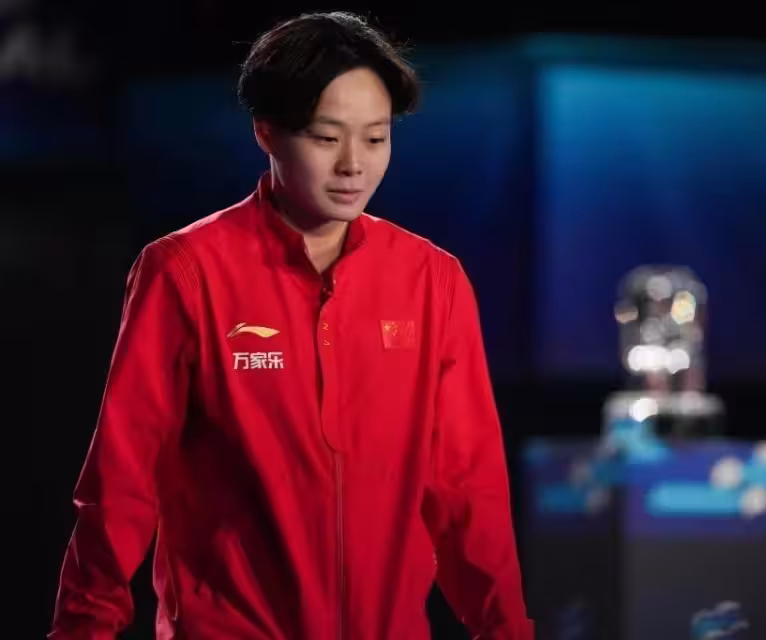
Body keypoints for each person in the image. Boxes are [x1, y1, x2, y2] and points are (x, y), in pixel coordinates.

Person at [49, 12, 533, 640]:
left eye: (376, 138)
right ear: (267, 132)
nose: (353, 165)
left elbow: (468, 489)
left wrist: (506, 629)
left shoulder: (432, 280)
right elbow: (122, 477)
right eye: (326, 138)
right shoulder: (185, 272)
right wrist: (84, 627)